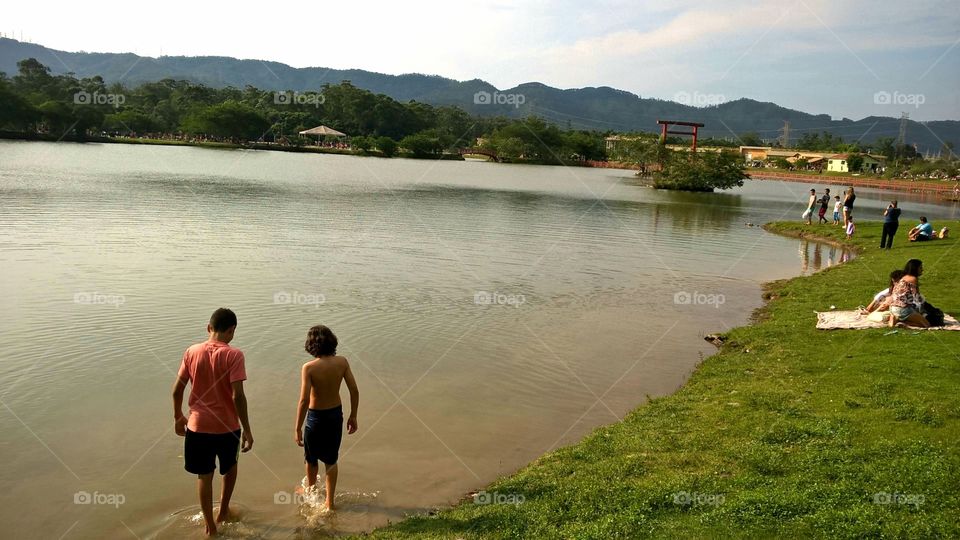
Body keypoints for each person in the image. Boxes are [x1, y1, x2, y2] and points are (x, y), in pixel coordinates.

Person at [172, 308, 253, 537]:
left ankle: (210, 526)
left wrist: (178, 417)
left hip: (197, 426)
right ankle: (223, 511)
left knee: (204, 476)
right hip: (227, 427)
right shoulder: (234, 355)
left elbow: (177, 390)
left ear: (209, 328)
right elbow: (238, 396)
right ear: (232, 330)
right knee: (229, 469)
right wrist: (247, 429)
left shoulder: (191, 351)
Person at [295, 325, 360, 511]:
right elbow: (354, 390)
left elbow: (304, 400)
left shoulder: (308, 368)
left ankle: (311, 492)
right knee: (331, 460)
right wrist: (353, 415)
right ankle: (330, 503)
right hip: (335, 415)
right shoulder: (342, 362)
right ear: (332, 341)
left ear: (311, 345)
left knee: (311, 459)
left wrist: (297, 427)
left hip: (315, 419)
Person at [881, 259, 929, 328]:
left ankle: (895, 318)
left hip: (892, 307)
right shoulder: (913, 279)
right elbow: (917, 297)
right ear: (915, 269)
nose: (922, 270)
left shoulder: (903, 278)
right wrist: (922, 310)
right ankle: (902, 323)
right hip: (903, 309)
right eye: (920, 268)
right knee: (926, 325)